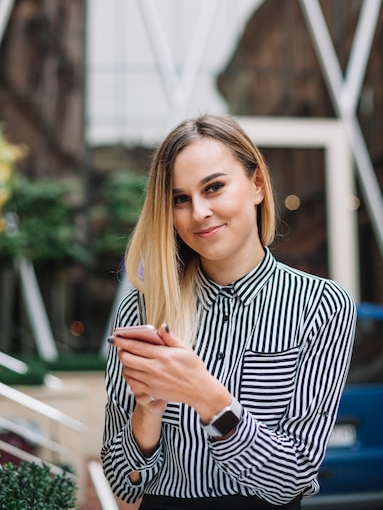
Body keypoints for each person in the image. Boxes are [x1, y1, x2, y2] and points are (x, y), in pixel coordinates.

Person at [102, 114, 356, 509]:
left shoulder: (321, 306)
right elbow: (123, 481)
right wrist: (147, 413)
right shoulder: (144, 308)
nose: (199, 212)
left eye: (214, 187)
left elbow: (294, 477)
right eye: (180, 198)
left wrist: (210, 401)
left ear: (257, 185)